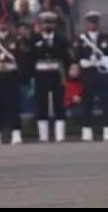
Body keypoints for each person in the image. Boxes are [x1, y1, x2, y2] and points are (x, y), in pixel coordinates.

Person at [75, 11, 108, 142]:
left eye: (95, 21)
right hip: (88, 75)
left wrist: (102, 60)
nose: (92, 24)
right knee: (87, 104)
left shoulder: (106, 38)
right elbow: (78, 57)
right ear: (87, 23)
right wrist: (86, 62)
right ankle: (87, 131)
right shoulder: (81, 39)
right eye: (90, 22)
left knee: (106, 103)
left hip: (102, 75)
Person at [30, 12, 71, 143]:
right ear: (41, 25)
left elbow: (66, 58)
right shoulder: (34, 39)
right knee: (41, 104)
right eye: (46, 23)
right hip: (41, 74)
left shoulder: (61, 40)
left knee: (59, 103)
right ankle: (43, 135)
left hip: (56, 73)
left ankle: (60, 135)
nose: (48, 25)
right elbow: (30, 58)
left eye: (51, 23)